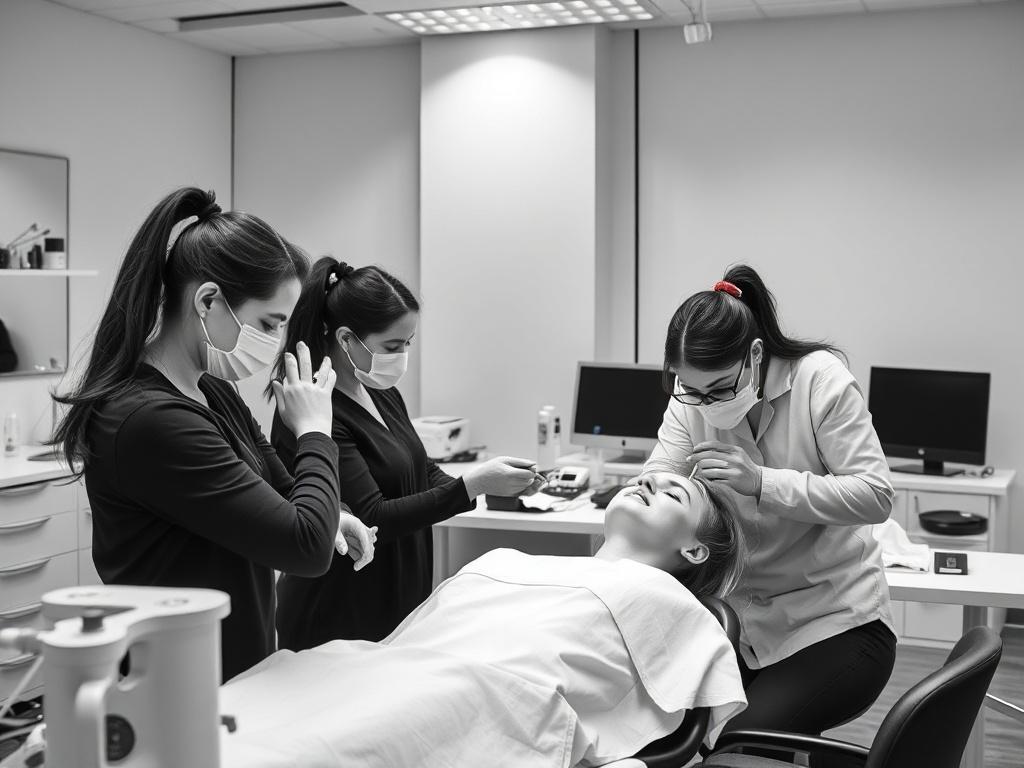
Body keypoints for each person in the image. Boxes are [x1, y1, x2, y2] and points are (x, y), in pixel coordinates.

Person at [52, 187, 375, 681]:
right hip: (173, 683)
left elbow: (281, 487)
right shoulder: (148, 420)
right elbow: (304, 547)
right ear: (208, 301)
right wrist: (315, 430)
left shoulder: (209, 389)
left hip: (234, 667)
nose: (273, 344)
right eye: (269, 324)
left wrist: (338, 515)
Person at [220, 472, 748, 768]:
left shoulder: (669, 603)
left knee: (312, 749)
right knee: (260, 707)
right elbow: (412, 637)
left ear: (696, 551)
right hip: (386, 668)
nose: (650, 481)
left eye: (673, 492)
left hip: (476, 692)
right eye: (646, 478)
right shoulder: (507, 559)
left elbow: (696, 713)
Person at [640, 264, 897, 737]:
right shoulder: (690, 400)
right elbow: (658, 476)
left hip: (834, 621)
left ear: (755, 355)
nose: (707, 403)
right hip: (738, 622)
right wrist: (651, 498)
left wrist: (760, 481)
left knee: (738, 740)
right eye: (691, 391)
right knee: (666, 730)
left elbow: (875, 495)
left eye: (720, 389)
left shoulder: (820, 380)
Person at [270, 258, 540, 649]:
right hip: (338, 612)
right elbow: (373, 515)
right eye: (392, 346)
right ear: (346, 339)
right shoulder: (313, 410)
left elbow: (421, 471)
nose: (401, 356)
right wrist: (473, 483)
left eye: (408, 344)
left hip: (396, 600)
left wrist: (498, 484)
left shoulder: (382, 393)